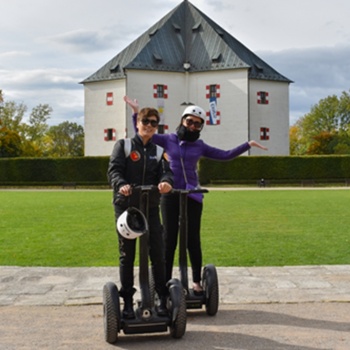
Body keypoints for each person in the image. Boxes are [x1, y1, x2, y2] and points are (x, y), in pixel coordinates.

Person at [124, 96, 268, 294]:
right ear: (183, 120)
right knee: (169, 239)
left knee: (193, 239)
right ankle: (163, 283)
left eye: (197, 124)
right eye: (189, 121)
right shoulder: (168, 139)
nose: (192, 126)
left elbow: (225, 155)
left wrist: (248, 145)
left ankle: (196, 282)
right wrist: (135, 112)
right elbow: (143, 132)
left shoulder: (200, 146)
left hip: (193, 195)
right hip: (170, 194)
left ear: (200, 127)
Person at [107, 106, 173, 319]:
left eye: (154, 123)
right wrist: (122, 184)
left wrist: (165, 182)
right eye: (146, 122)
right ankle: (126, 300)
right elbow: (114, 170)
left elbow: (167, 173)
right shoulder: (124, 146)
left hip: (150, 207)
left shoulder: (159, 151)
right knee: (127, 254)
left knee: (158, 253)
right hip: (127, 208)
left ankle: (162, 298)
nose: (150, 126)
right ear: (138, 123)